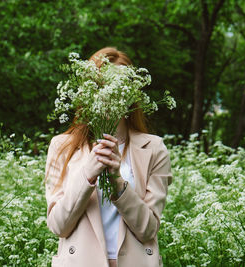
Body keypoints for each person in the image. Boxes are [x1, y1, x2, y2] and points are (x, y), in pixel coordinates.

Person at [44, 47, 173, 267]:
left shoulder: (154, 148)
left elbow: (149, 229)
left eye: (118, 86)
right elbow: (58, 226)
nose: (110, 93)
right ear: (89, 90)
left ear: (131, 93)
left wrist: (118, 183)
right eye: (103, 85)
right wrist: (88, 174)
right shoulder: (61, 147)